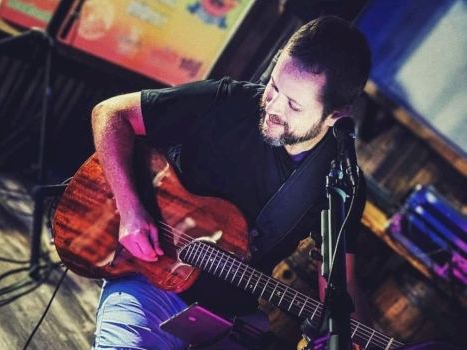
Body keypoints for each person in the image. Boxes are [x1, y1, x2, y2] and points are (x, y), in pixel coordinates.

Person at [90, 15, 372, 349]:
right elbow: (110, 114)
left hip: (228, 319)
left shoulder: (341, 181)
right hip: (150, 279)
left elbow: (340, 284)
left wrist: (350, 337)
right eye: (275, 86)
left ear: (335, 115)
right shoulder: (229, 103)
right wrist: (131, 209)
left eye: (294, 105)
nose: (273, 107)